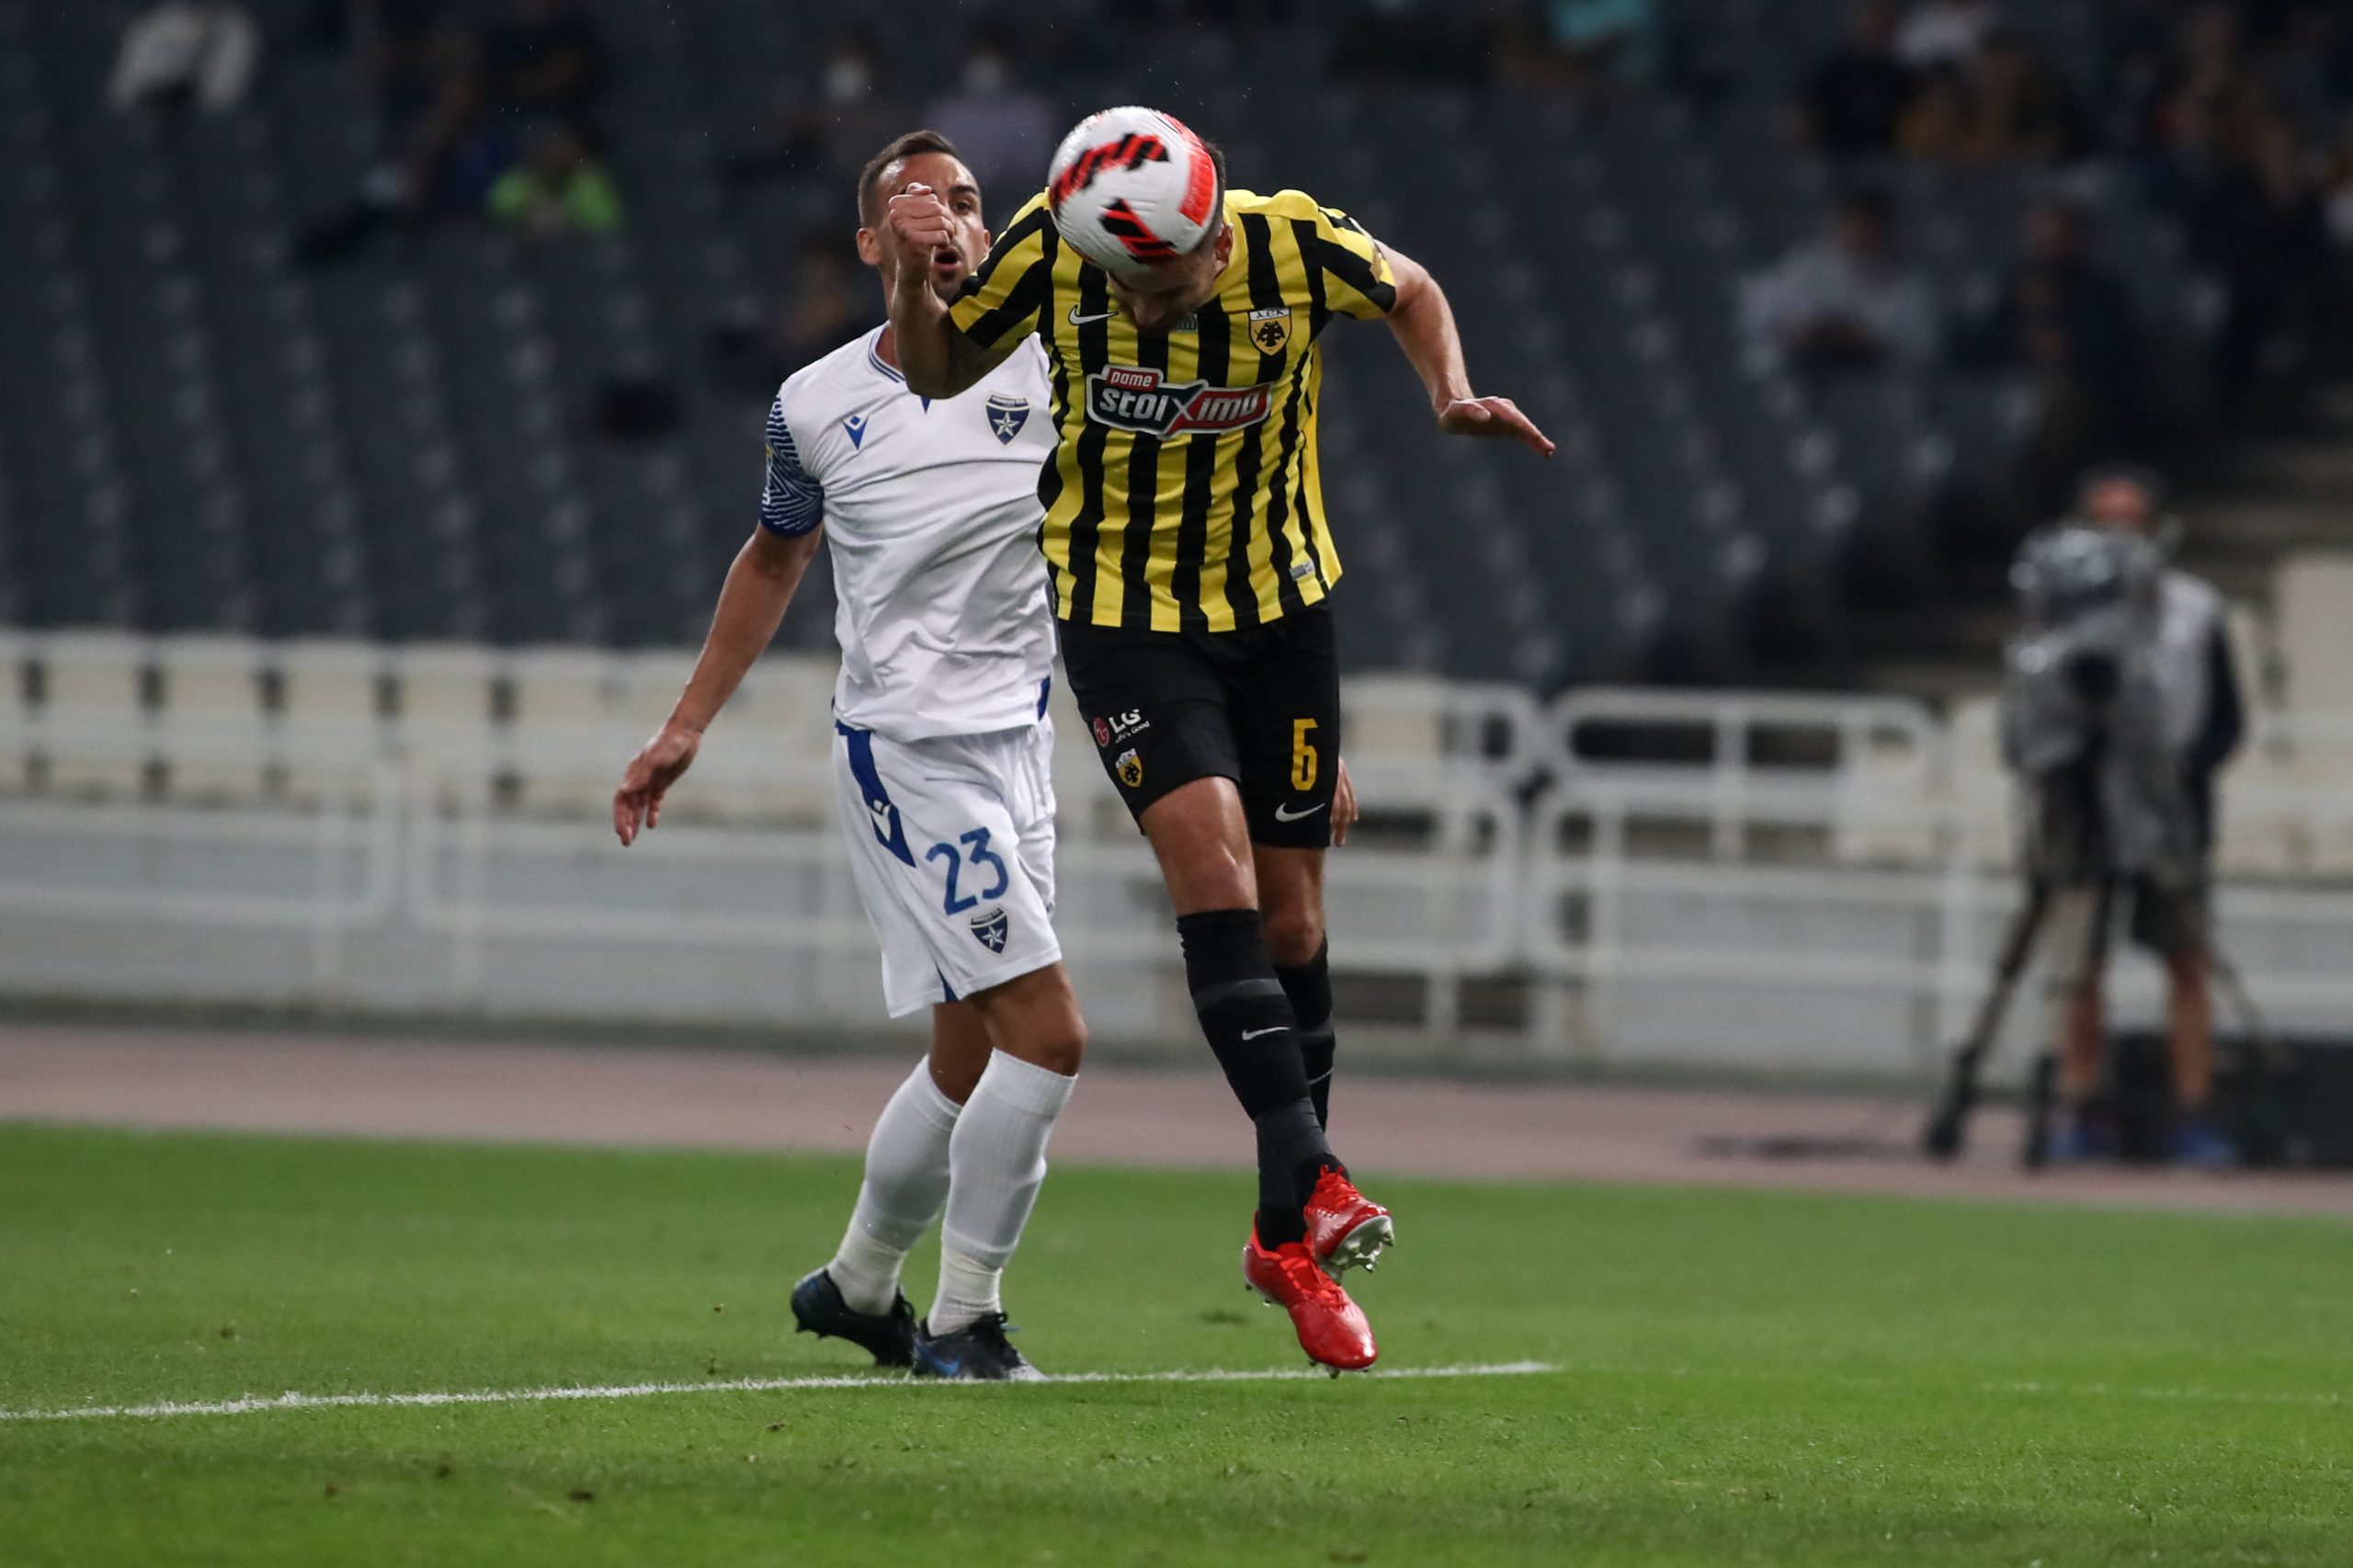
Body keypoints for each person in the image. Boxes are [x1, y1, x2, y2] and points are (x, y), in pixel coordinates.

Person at [878, 108, 1552, 1370]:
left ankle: (1281, 1236)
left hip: (1282, 612)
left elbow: (1411, 287)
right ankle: (1317, 1175)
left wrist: (1449, 392)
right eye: (1124, 284)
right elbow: (937, 372)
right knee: (1213, 867)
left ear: (1215, 231)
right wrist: (917, 284)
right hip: (1124, 615)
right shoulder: (1045, 249)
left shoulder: (1293, 242)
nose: (1143, 305)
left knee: (1292, 924)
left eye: (1166, 280)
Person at [613, 131, 1084, 1381]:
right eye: (917, 203)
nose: (947, 218)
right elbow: (775, 555)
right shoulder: (814, 402)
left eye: (967, 200)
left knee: (968, 1054)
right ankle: (965, 1320)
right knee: (1048, 1034)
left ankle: (858, 1284)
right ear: (874, 242)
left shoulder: (1057, 363)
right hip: (908, 756)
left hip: (1020, 748)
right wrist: (685, 723)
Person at [2033, 467, 2245, 1166]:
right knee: (2079, 965)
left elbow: (2227, 719)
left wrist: (2176, 776)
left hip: (2169, 811)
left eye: (2132, 523)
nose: (2119, 537)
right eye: (2104, 523)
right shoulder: (2055, 605)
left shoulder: (2195, 608)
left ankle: (2194, 1115)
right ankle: (2081, 1108)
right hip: (2083, 806)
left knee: (2187, 960)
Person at [1739, 189, 1939, 375]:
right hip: (1800, 374)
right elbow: (1763, 327)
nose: (1861, 238)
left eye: (1870, 230)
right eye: (1855, 227)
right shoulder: (1804, 268)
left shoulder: (1910, 288)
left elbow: (1922, 351)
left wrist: (1863, 340)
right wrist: (1811, 335)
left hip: (1875, 383)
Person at [1800, 0, 1921, 159]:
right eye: (1871, 22)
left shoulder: (1902, 76)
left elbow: (1914, 124)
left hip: (1890, 159)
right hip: (1835, 157)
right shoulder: (1834, 72)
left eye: (1882, 24)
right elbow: (1808, 114)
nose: (1875, 30)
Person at [108, 1, 261, 116]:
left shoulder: (237, 32)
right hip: (149, 113)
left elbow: (222, 100)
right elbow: (123, 95)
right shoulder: (152, 27)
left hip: (204, 126)